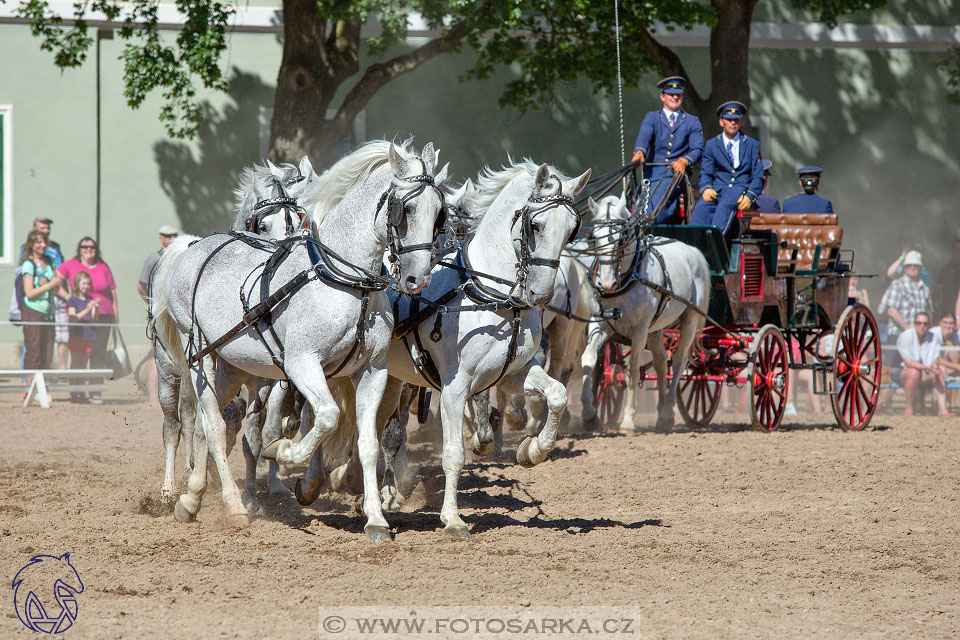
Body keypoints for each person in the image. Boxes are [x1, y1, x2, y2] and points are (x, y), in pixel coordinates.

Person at [631, 76, 704, 222]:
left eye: (678, 94)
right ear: (662, 97)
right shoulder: (652, 118)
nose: (675, 97)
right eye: (671, 94)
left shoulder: (692, 121)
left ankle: (648, 224)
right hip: (651, 173)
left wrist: (684, 161)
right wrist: (640, 152)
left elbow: (698, 148)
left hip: (676, 173)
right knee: (640, 199)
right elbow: (644, 136)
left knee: (658, 200)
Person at [57, 238, 118, 404]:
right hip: (82, 319)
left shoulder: (103, 266)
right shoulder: (71, 264)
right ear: (80, 249)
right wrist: (68, 296)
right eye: (85, 246)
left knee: (97, 354)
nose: (88, 249)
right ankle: (76, 391)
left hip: (103, 315)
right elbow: (55, 281)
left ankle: (95, 391)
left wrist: (115, 314)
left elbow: (112, 291)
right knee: (78, 358)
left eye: (92, 246)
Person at [690, 101, 763, 234]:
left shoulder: (752, 145)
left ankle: (714, 244)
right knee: (701, 208)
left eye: (736, 120)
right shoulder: (712, 144)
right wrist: (706, 189)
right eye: (729, 120)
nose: (733, 123)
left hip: (740, 190)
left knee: (725, 206)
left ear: (740, 122)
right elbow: (706, 173)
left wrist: (750, 196)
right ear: (721, 122)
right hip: (718, 190)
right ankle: (694, 245)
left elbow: (758, 177)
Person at [17, 217, 68, 369]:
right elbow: (30, 293)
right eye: (39, 242)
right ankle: (28, 389)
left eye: (44, 242)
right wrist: (48, 286)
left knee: (47, 353)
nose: (43, 245)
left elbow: (55, 284)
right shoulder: (28, 264)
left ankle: (43, 389)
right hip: (33, 311)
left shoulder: (50, 261)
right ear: (32, 244)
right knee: (34, 353)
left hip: (48, 311)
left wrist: (68, 298)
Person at [878, 249, 932, 361]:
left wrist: (924, 332)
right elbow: (892, 310)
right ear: (905, 267)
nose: (912, 267)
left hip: (919, 338)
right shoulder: (897, 284)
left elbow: (929, 312)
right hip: (897, 335)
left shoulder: (925, 288)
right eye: (909, 265)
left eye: (915, 265)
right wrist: (908, 329)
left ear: (920, 267)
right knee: (892, 371)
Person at [894, 312, 950, 417]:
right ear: (914, 324)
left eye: (925, 324)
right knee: (914, 373)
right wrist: (928, 367)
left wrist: (934, 366)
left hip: (924, 373)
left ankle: (942, 409)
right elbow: (907, 362)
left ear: (929, 325)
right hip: (902, 372)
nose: (922, 326)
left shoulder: (933, 337)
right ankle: (909, 408)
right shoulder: (906, 336)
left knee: (939, 371)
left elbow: (935, 357)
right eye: (919, 323)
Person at [66, 272, 100, 403]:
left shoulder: (90, 299)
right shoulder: (72, 299)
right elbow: (73, 318)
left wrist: (95, 308)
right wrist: (87, 309)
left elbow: (94, 318)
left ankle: (82, 391)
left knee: (84, 365)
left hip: (89, 335)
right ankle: (73, 392)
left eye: (88, 284)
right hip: (76, 335)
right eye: (83, 283)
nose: (86, 286)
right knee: (75, 364)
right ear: (77, 284)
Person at [137, 225, 179, 302]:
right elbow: (141, 286)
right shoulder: (154, 259)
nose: (172, 239)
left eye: (175, 236)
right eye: (168, 236)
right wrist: (152, 304)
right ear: (161, 238)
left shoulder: (179, 257)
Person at [936, 238, 960, 315]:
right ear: (952, 250)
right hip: (947, 307)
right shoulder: (944, 269)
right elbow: (938, 288)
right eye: (956, 249)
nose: (958, 251)